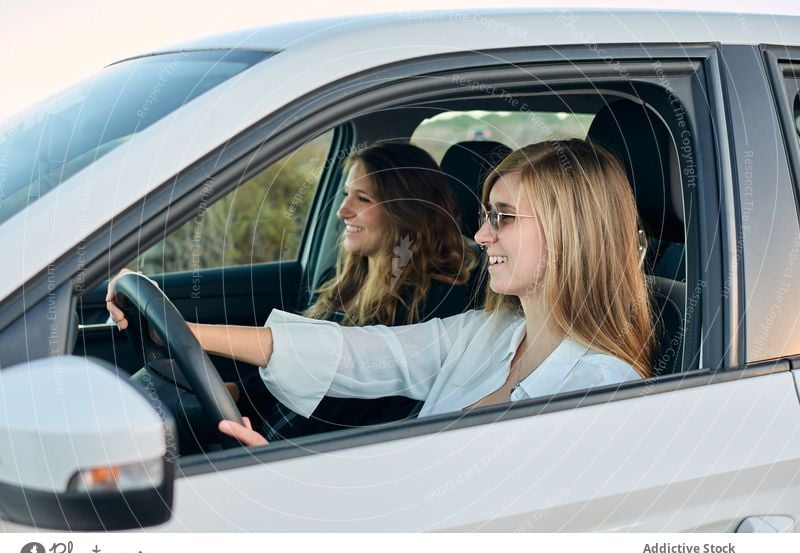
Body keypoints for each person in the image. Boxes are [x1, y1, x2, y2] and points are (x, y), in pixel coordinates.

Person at [109, 138, 655, 448]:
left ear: (569, 234)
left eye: (502, 218)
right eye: (486, 215)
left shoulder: (603, 392)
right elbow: (355, 354)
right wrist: (181, 329)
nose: (481, 234)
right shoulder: (485, 334)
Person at [109, 142, 479, 439]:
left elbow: (352, 407)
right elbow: (293, 368)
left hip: (300, 455)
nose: (342, 211)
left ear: (406, 209)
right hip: (267, 429)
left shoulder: (433, 304)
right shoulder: (343, 281)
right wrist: (230, 393)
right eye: (346, 195)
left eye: (362, 200)